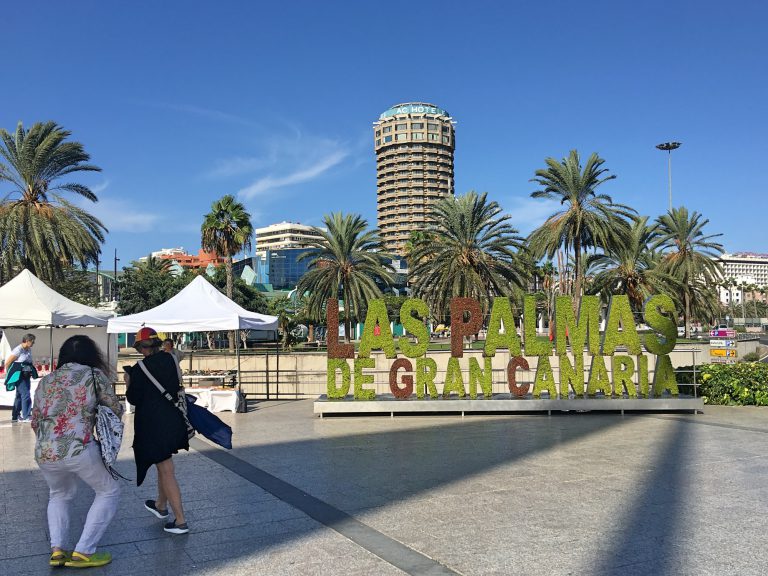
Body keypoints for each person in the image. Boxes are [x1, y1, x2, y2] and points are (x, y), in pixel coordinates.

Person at [30, 335, 123, 568]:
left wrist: (50, 443)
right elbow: (115, 409)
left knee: (59, 495)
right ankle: (84, 551)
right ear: (92, 355)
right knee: (108, 491)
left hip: (45, 451)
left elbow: (35, 420)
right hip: (79, 447)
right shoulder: (93, 376)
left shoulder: (47, 380)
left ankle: (58, 550)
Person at [125, 327, 190, 534]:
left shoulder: (139, 369)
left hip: (153, 424)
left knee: (166, 469)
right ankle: (161, 505)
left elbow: (133, 399)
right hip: (172, 419)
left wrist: (129, 383)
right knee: (164, 463)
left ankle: (180, 521)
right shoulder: (170, 359)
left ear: (140, 347)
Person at [5, 333, 36, 423]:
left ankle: (15, 416)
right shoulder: (18, 350)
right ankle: (26, 416)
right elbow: (8, 363)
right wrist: (10, 375)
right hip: (19, 375)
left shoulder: (28, 349)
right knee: (26, 394)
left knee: (19, 395)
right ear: (27, 341)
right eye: (32, 341)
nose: (33, 343)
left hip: (26, 374)